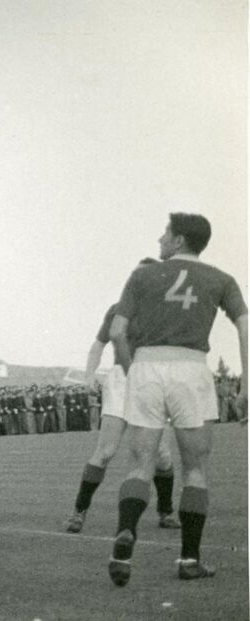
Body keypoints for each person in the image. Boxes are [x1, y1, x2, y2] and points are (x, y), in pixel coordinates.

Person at [106, 213, 247, 586]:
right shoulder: (222, 279)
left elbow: (118, 331)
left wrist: (130, 367)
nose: (160, 239)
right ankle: (188, 559)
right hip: (191, 370)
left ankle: (124, 538)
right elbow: (245, 325)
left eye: (165, 234)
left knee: (140, 464)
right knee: (195, 469)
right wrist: (246, 381)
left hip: (148, 368)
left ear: (180, 239)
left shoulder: (141, 275)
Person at [65, 260, 181, 535]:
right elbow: (98, 345)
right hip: (121, 381)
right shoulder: (118, 310)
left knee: (163, 456)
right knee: (105, 451)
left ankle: (165, 511)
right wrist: (89, 375)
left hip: (152, 381)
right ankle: (78, 512)